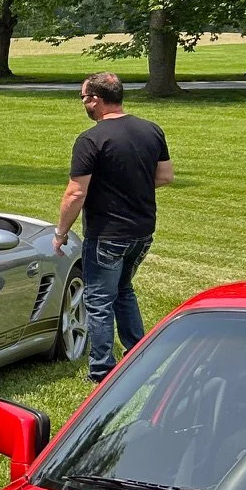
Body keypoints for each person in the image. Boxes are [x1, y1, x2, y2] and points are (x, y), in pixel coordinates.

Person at [54, 72, 173, 383]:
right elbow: (164, 176)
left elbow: (76, 192)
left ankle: (101, 370)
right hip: (142, 232)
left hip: (107, 234)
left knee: (98, 299)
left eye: (84, 98)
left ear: (96, 99)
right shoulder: (152, 130)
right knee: (123, 289)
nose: (83, 104)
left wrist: (61, 232)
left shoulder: (90, 139)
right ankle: (137, 355)